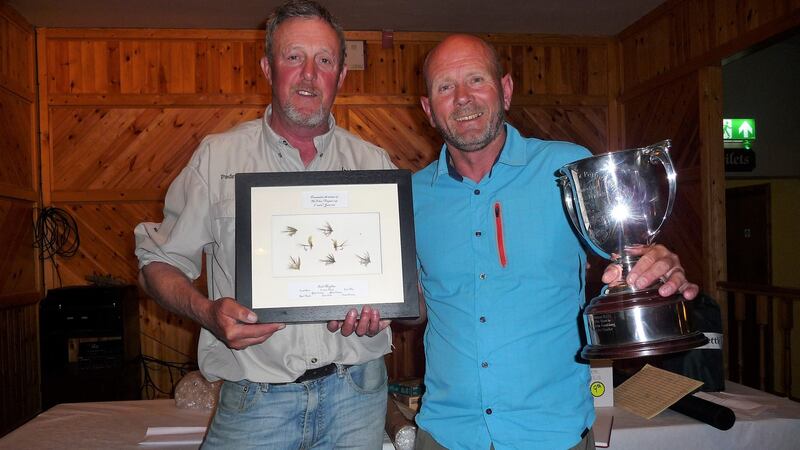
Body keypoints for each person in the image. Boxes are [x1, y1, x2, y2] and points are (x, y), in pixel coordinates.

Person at [411, 34, 700, 450]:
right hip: (445, 434)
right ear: (428, 109)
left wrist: (653, 264)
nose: (462, 98)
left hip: (552, 434)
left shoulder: (566, 167)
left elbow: (626, 255)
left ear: (505, 90)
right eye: (444, 86)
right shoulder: (414, 196)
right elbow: (417, 307)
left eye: (476, 80)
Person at [134, 1, 393, 448]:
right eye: (294, 57)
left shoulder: (374, 164)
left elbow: (396, 283)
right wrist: (208, 314)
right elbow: (157, 261)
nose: (309, 74)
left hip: (358, 396)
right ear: (268, 68)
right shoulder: (217, 159)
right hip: (256, 402)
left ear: (341, 76)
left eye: (325, 60)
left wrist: (384, 310)